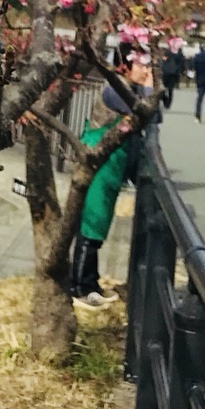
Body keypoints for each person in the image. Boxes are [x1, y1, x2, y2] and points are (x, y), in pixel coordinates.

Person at [70, 98, 132, 307]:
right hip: (101, 181)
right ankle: (79, 288)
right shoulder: (111, 128)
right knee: (89, 235)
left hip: (102, 180)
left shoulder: (95, 131)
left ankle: (90, 284)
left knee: (91, 235)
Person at [158, 45, 182, 109]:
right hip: (165, 76)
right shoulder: (162, 60)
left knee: (170, 91)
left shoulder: (172, 59)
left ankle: (168, 103)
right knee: (162, 90)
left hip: (171, 76)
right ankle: (166, 100)